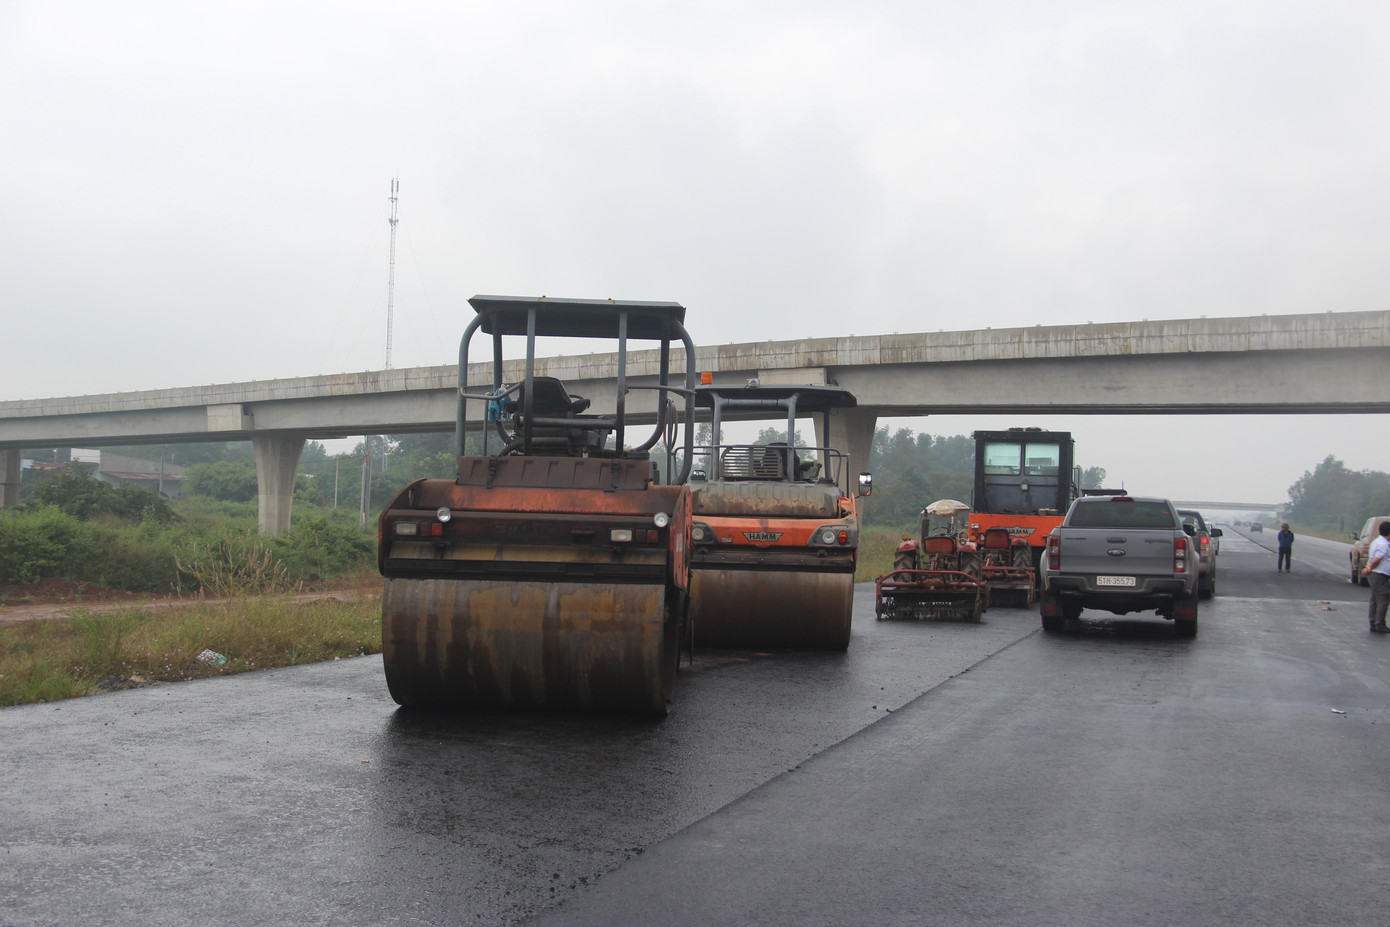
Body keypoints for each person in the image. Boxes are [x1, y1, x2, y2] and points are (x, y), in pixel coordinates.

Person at [1361, 521, 1390, 633]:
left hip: (1376, 575)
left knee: (1375, 600)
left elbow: (1372, 558)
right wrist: (1370, 568)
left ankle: (1373, 623)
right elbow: (1377, 559)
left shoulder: (1376, 542)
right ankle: (1379, 624)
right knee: (1383, 599)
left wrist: (1369, 567)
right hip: (1380, 575)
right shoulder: (1383, 545)